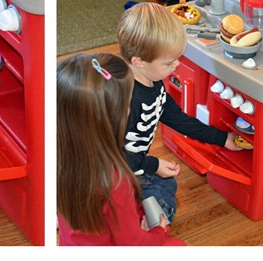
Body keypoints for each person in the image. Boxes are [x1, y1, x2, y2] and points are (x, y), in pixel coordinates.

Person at [117, 2, 241, 223]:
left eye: (177, 58)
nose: (176, 65)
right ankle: (135, 224)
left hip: (136, 167)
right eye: (168, 63)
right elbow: (112, 157)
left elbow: (178, 119)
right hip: (114, 173)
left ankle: (135, 215)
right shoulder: (125, 100)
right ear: (139, 62)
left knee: (167, 183)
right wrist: (153, 164)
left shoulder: (153, 82)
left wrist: (222, 138)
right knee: (161, 199)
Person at [57, 53, 185, 246]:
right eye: (127, 102)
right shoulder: (115, 180)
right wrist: (159, 232)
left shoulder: (59, 155)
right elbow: (131, 244)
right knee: (177, 245)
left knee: (154, 186)